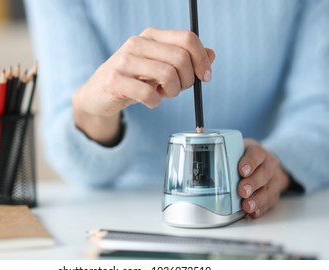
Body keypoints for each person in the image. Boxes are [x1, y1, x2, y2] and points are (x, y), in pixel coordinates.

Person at [24, 0, 329, 219]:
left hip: (264, 206)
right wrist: (96, 107)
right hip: (119, 210)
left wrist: (276, 167)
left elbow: (319, 110)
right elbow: (74, 159)